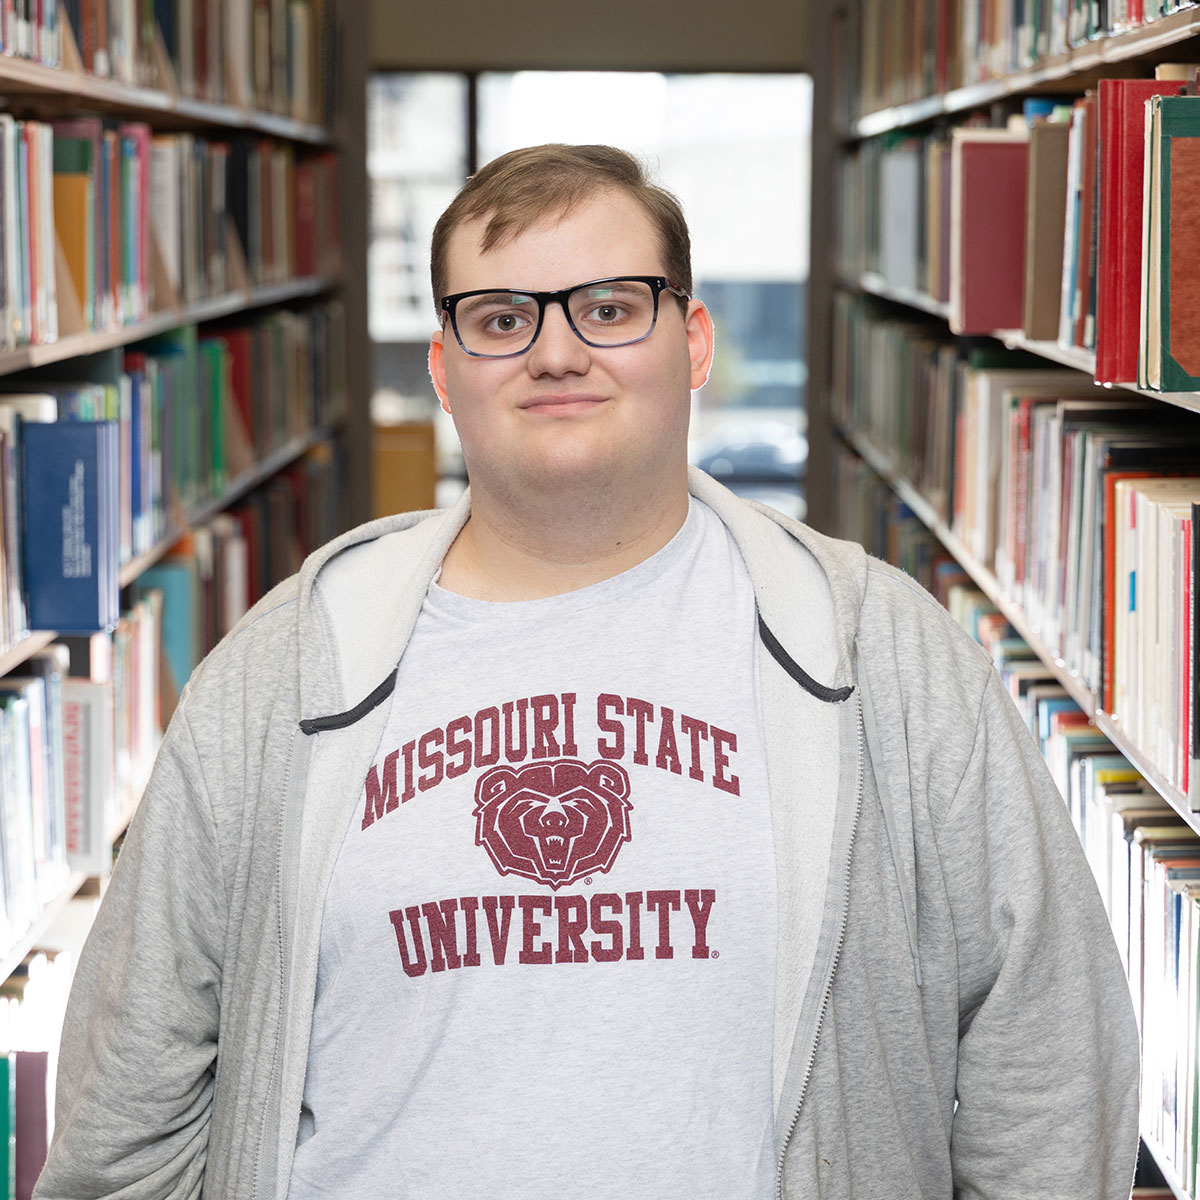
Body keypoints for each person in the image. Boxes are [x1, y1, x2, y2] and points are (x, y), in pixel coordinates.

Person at [37, 144, 1139, 1200]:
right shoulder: (286, 670)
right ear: (444, 367)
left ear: (694, 341)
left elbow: (1046, 1042)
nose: (556, 353)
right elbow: (131, 1091)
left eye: (609, 308)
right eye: (502, 319)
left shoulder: (879, 655)